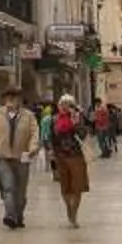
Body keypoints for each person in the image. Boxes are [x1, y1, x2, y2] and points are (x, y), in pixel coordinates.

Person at [0, 88, 40, 230]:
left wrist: (33, 148)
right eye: (8, 97)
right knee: (8, 188)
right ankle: (10, 216)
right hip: (3, 156)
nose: (11, 100)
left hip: (22, 157)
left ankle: (19, 215)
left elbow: (34, 134)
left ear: (20, 100)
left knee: (20, 192)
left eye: (15, 97)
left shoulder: (29, 116)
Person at [47, 94, 92, 225]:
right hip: (60, 156)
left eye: (68, 105)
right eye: (62, 104)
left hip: (75, 156)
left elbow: (83, 135)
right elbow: (51, 138)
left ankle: (74, 212)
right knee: (65, 186)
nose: (64, 107)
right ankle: (69, 208)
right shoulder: (53, 120)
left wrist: (76, 122)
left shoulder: (77, 118)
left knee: (77, 186)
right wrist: (51, 151)